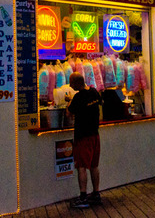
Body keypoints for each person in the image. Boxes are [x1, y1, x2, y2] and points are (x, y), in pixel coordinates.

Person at [66, 71, 103, 209]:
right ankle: (96, 194)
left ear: (76, 83)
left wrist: (69, 101)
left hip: (83, 136)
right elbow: (99, 103)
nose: (70, 85)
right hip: (95, 135)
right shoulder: (94, 92)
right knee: (94, 166)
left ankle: (83, 197)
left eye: (71, 83)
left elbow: (68, 113)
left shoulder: (78, 97)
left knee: (81, 166)